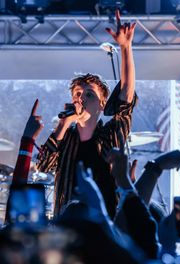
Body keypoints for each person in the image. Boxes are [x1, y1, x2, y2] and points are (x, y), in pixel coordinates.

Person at [36, 9, 137, 218]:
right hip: (68, 229)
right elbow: (43, 165)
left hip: (105, 229)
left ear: (102, 105)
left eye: (89, 95)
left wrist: (125, 48)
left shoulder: (110, 135)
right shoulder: (65, 138)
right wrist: (64, 124)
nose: (81, 98)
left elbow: (126, 99)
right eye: (78, 94)